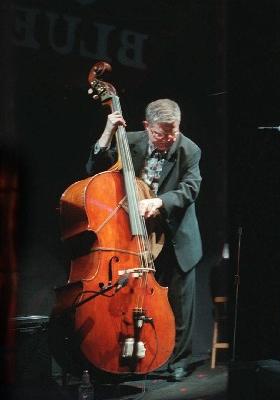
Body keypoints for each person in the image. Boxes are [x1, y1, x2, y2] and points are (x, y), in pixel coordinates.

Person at [86, 98, 203, 381]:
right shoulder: (131, 141)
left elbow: (190, 188)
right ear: (146, 127)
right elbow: (96, 168)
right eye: (161, 133)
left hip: (175, 236)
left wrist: (159, 202)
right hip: (136, 236)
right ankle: (140, 356)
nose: (168, 138)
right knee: (135, 298)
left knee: (179, 301)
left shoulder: (189, 149)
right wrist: (107, 132)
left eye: (173, 131)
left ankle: (179, 361)